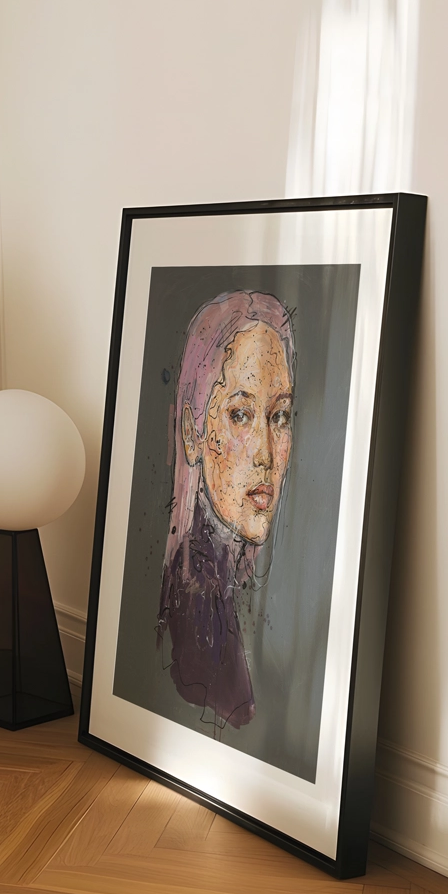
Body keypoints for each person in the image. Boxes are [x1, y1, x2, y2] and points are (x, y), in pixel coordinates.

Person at [158, 289, 296, 730]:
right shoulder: (196, 615)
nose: (266, 455)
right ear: (192, 433)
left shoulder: (225, 590)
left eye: (279, 417)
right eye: (240, 415)